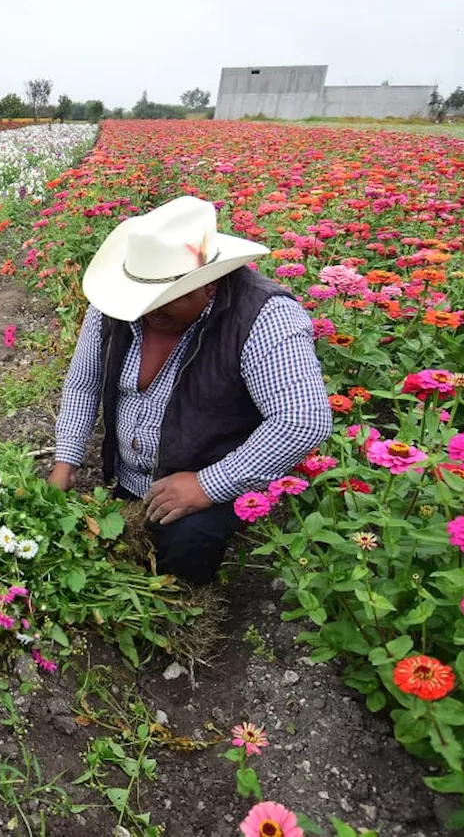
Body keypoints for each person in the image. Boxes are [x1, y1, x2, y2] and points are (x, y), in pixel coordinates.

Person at [49, 196, 331, 584]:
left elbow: (303, 420)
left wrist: (207, 485)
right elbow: (84, 384)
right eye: (143, 298)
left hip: (218, 476)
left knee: (183, 550)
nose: (150, 311)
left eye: (168, 299)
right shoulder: (119, 301)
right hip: (133, 481)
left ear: (209, 283)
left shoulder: (263, 315)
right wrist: (66, 463)